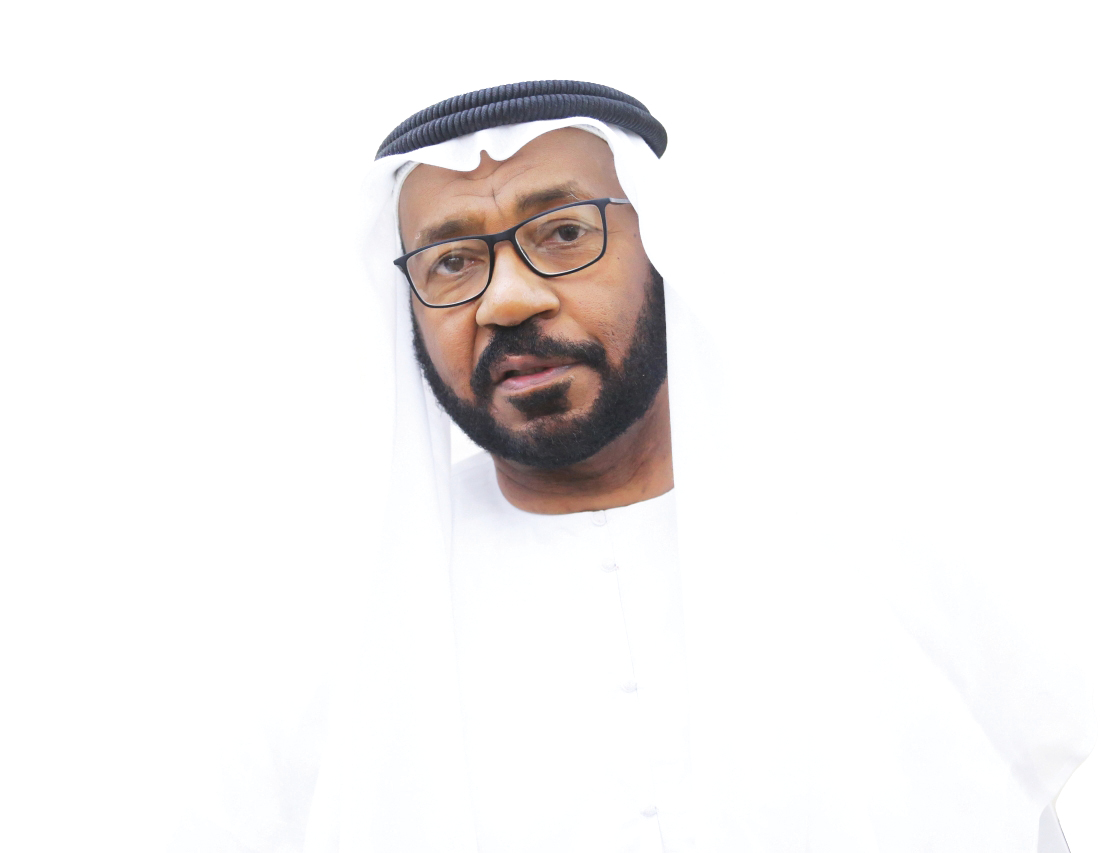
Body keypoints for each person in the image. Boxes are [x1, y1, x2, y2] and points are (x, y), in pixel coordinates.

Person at [171, 80, 1092, 853]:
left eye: (564, 233)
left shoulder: (886, 541)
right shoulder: (319, 629)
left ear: (665, 249)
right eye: (451, 262)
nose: (508, 300)